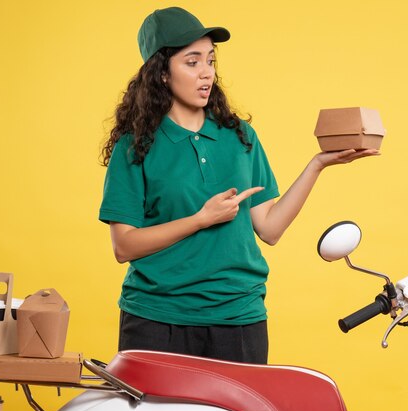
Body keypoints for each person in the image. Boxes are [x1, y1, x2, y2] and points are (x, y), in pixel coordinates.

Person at [99, 7, 378, 364]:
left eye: (210, 60)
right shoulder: (135, 146)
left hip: (238, 319)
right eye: (192, 62)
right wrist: (201, 218)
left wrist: (317, 165)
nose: (206, 73)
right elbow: (124, 246)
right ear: (162, 74)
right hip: (156, 319)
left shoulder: (240, 137)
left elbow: (270, 228)